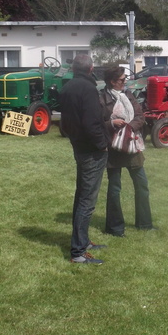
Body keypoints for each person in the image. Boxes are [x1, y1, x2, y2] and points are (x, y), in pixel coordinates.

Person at [59, 54, 109, 264]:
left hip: (79, 146)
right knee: (87, 201)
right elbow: (91, 123)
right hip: (90, 150)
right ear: (90, 69)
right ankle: (78, 252)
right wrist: (103, 144)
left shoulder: (68, 87)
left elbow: (67, 122)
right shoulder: (88, 89)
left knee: (82, 196)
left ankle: (84, 241)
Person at [99, 66, 154, 237]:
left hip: (132, 145)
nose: (125, 82)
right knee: (115, 188)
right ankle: (115, 228)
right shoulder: (101, 98)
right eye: (122, 80)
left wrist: (129, 129)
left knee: (142, 185)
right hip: (114, 148)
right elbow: (97, 122)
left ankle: (144, 224)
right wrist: (111, 124)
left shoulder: (128, 94)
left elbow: (140, 116)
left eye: (125, 79)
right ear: (112, 81)